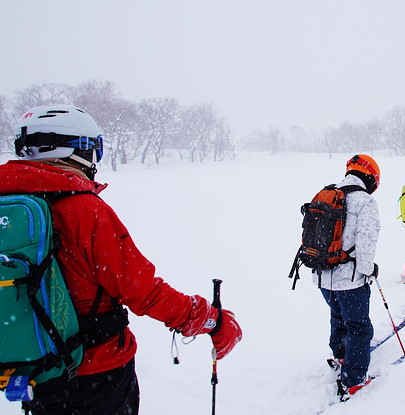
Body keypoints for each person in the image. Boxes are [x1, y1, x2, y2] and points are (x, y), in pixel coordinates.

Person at [1, 104, 242, 415]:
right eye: (93, 150)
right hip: (94, 375)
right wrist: (211, 319)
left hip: (34, 370)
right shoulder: (82, 210)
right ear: (75, 148)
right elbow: (143, 291)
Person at [317, 154, 380, 401]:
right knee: (359, 328)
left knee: (337, 315)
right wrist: (368, 270)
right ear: (371, 177)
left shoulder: (326, 193)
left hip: (322, 275)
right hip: (350, 279)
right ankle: (353, 380)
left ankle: (341, 354)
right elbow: (366, 241)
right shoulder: (365, 201)